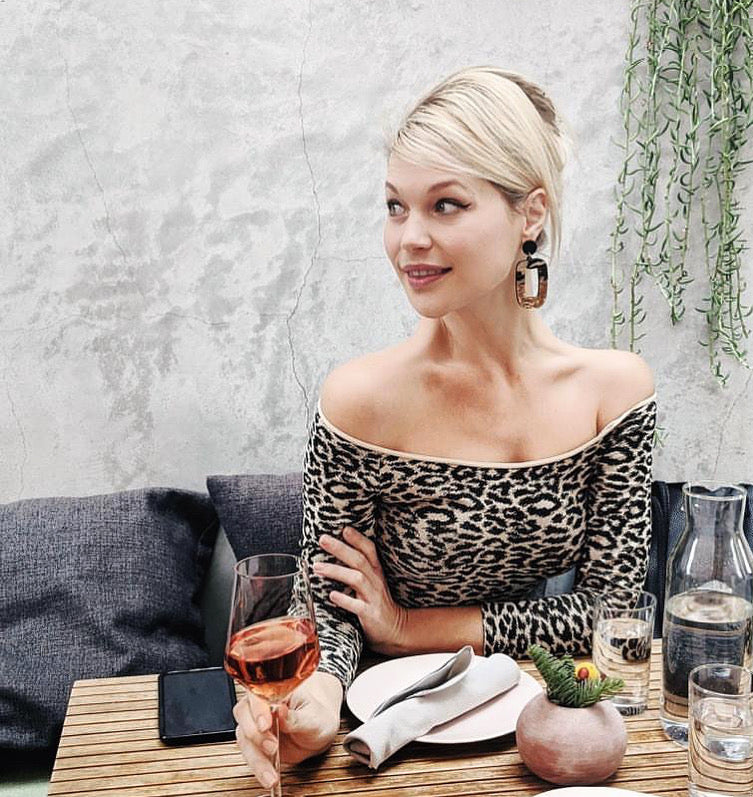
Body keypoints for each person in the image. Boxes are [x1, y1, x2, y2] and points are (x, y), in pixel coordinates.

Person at [233, 65, 656, 788]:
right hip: (389, 739)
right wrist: (316, 704)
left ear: (530, 214)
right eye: (395, 206)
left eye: (446, 205)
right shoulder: (359, 400)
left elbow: (616, 617)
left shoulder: (612, 394)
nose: (408, 239)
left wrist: (410, 626)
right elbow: (328, 603)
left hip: (547, 724)